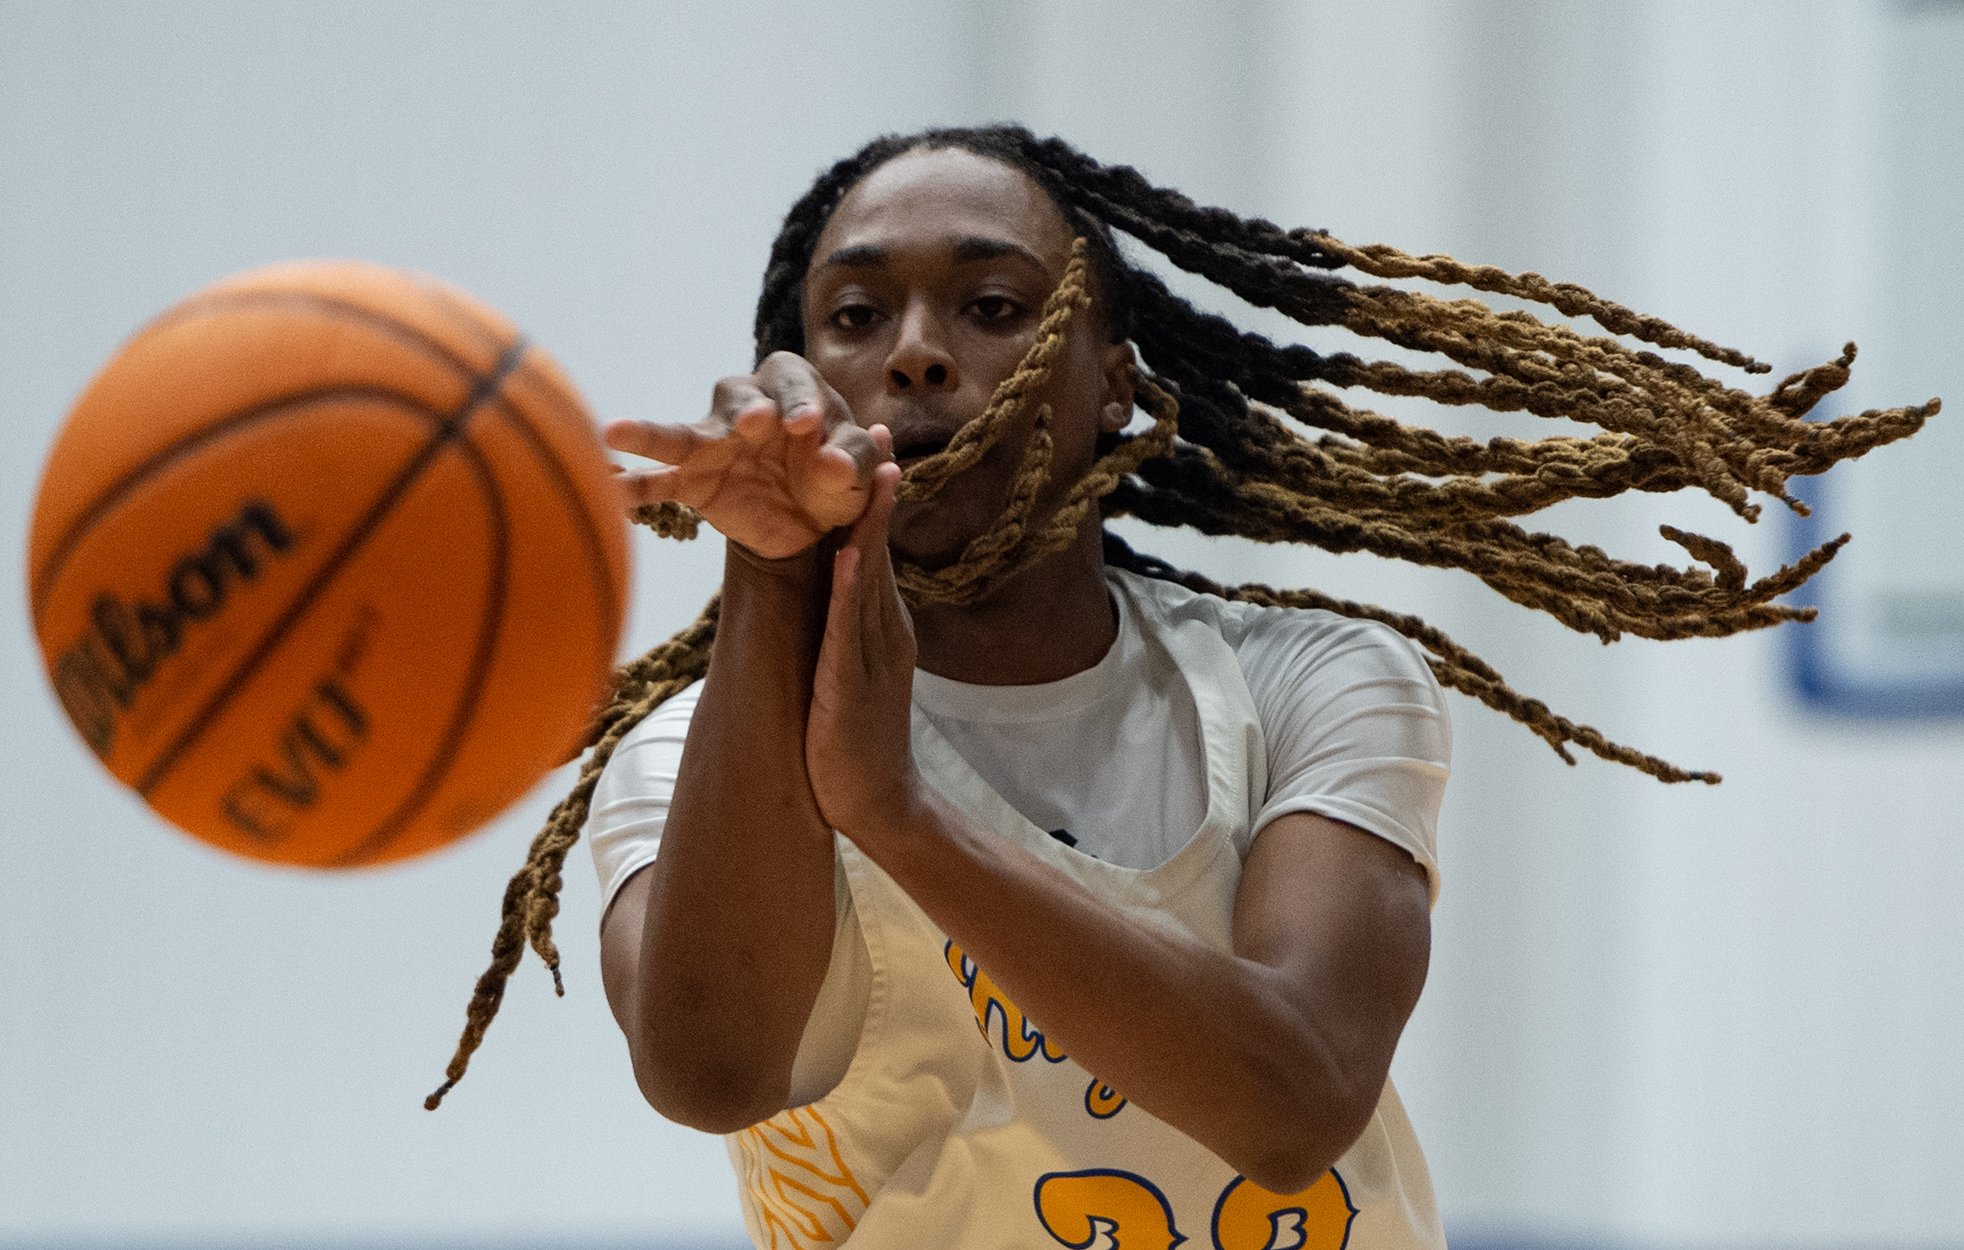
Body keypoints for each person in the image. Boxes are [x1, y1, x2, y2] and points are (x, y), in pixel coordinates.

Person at [423, 127, 1933, 1250]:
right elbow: (708, 1067)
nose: (921, 356)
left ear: (1119, 383)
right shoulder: (688, 754)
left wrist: (898, 814)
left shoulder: (1312, 683)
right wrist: (768, 565)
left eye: (997, 306)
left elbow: (1295, 1095)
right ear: (791, 377)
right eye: (855, 316)